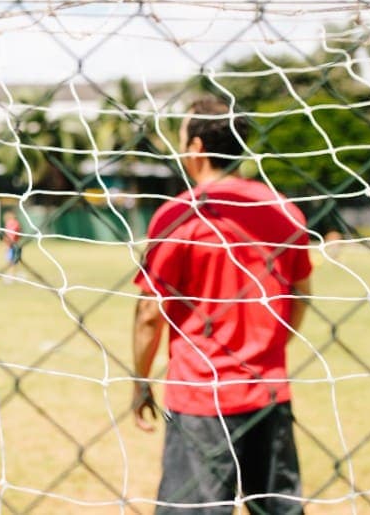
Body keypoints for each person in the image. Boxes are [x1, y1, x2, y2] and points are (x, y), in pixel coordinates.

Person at [132, 96, 313, 515]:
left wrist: (140, 381)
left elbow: (148, 313)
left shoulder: (179, 214)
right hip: (268, 392)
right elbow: (300, 295)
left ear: (195, 148)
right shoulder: (283, 210)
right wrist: (270, 346)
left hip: (199, 396)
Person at [2, 210, 22, 280]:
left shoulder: (12, 223)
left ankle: (12, 275)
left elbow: (11, 234)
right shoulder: (15, 223)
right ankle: (13, 274)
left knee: (11, 260)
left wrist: (8, 245)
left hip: (12, 245)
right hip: (16, 244)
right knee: (13, 260)